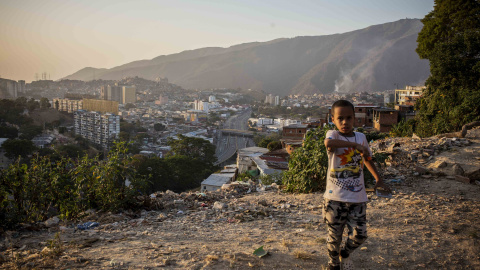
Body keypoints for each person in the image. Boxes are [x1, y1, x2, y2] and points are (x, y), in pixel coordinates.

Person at [323, 100, 390, 270]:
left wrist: (378, 179)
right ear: (333, 119)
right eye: (340, 118)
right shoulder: (333, 135)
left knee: (360, 235)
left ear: (355, 119)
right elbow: (328, 144)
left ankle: (345, 253)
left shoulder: (361, 137)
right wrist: (354, 145)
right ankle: (333, 264)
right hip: (334, 198)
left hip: (358, 197)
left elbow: (367, 158)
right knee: (334, 237)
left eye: (349, 118)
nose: (345, 122)